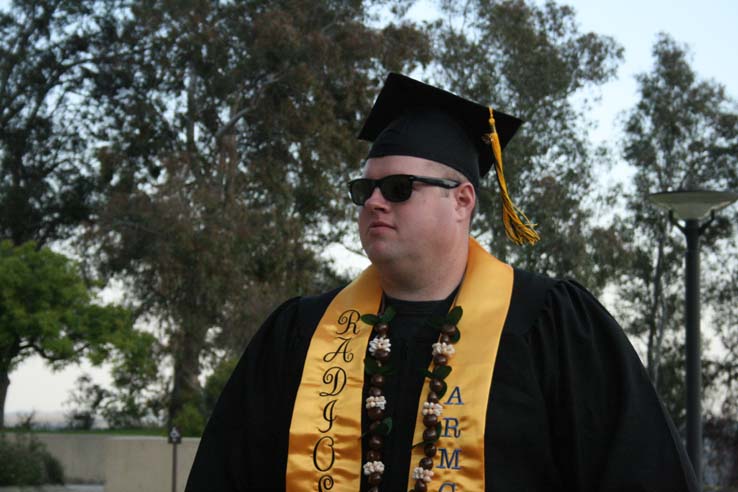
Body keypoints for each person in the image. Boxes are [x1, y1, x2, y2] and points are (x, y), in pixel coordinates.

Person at [186, 73, 698, 491]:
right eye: (364, 189)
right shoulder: (299, 333)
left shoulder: (550, 326)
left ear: (462, 201)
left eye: (398, 188)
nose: (373, 203)